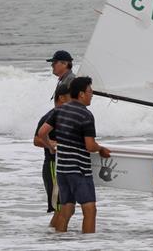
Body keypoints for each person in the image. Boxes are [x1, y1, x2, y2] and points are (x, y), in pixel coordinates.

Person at [37, 76, 110, 233]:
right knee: (90, 210)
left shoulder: (59, 110)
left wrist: (50, 147)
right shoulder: (86, 115)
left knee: (66, 209)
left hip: (62, 170)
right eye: (90, 91)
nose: (92, 95)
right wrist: (101, 149)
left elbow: (42, 133)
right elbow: (90, 146)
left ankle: (62, 242)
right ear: (82, 94)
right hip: (79, 170)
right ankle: (87, 245)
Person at [33, 85, 71, 227]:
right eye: (71, 97)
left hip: (66, 166)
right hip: (52, 165)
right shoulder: (50, 116)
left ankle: (54, 238)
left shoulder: (67, 116)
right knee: (60, 208)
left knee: (66, 208)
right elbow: (36, 140)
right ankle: (54, 239)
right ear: (61, 98)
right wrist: (52, 144)